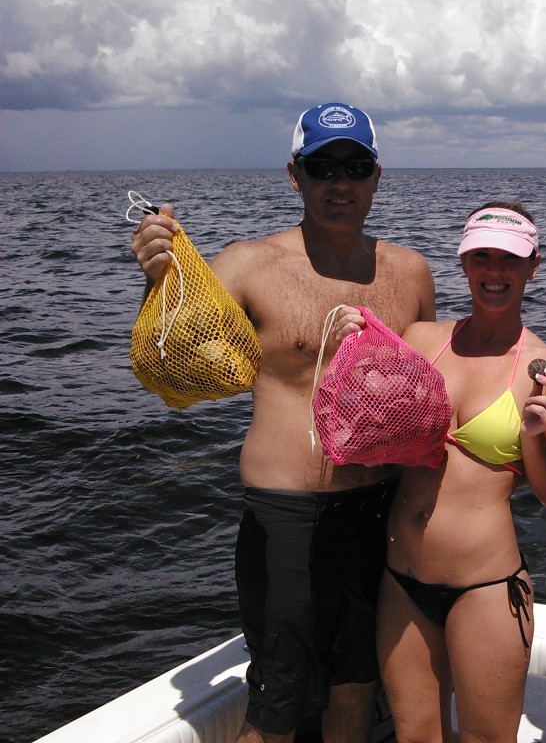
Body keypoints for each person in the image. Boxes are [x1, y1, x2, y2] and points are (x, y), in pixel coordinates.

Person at [130, 103, 436, 743]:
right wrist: (159, 281)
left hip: (380, 510)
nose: (340, 182)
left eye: (355, 166)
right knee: (279, 704)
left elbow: (428, 387)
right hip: (288, 515)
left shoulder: (411, 272)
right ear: (294, 175)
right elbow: (172, 368)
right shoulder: (247, 263)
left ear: (377, 176)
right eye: (323, 167)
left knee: (356, 685)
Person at [374, 201, 546, 742]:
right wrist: (356, 341)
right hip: (401, 579)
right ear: (463, 263)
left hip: (485, 588)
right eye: (481, 257)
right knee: (414, 733)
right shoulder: (420, 340)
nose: (494, 272)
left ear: (533, 266)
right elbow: (369, 430)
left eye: (509, 260)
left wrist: (534, 440)